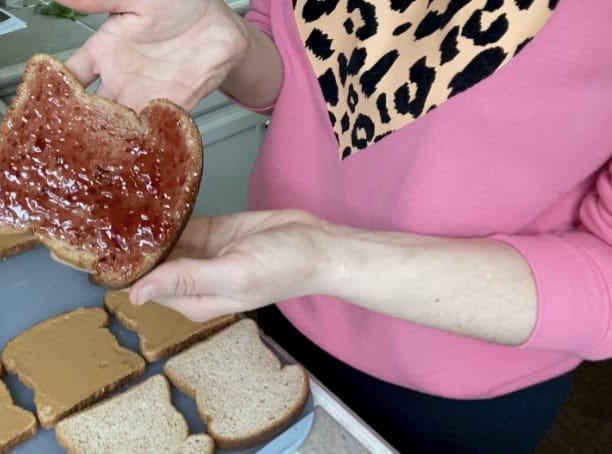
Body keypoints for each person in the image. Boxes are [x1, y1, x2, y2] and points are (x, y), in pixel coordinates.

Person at [59, 1, 612, 452]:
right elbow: (301, 78)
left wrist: (327, 259)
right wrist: (230, 41)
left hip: (452, 388)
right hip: (273, 301)